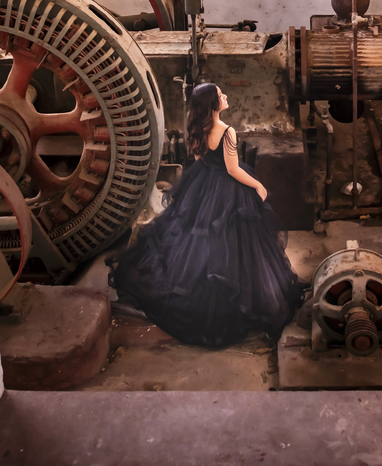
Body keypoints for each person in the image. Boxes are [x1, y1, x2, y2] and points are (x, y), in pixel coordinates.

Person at [110, 82, 306, 348]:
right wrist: (258, 185)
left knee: (199, 240)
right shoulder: (227, 131)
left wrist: (203, 190)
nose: (225, 96)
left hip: (204, 183)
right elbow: (234, 170)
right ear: (214, 104)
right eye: (220, 95)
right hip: (226, 186)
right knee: (236, 242)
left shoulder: (199, 129)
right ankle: (237, 300)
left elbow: (201, 159)